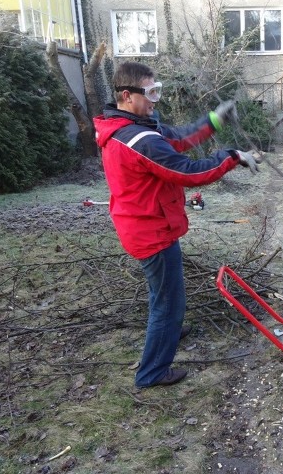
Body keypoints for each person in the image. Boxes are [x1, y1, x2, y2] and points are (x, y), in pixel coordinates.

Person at [94, 61, 260, 388]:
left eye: (159, 90)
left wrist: (215, 120)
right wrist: (232, 157)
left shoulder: (134, 125)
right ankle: (152, 372)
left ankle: (169, 327)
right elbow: (189, 173)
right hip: (150, 233)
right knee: (169, 301)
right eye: (150, 92)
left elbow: (180, 137)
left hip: (147, 225)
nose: (156, 99)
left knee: (165, 294)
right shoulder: (137, 139)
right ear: (127, 95)